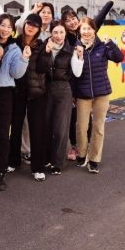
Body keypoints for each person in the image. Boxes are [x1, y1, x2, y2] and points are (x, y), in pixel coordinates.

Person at [62, 0, 117, 161]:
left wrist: (111, 1)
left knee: (93, 124)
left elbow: (99, 17)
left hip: (97, 85)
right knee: (78, 122)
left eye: (73, 18)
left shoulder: (88, 31)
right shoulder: (65, 39)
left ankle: (90, 155)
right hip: (77, 84)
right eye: (67, 20)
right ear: (64, 25)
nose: (72, 22)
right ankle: (78, 148)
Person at [0, 14, 29, 190]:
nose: (5, 29)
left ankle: (1, 173)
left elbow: (16, 74)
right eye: (3, 25)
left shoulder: (15, 49)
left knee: (2, 134)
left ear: (13, 30)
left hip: (5, 94)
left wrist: (24, 58)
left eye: (9, 27)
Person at [74, 17, 123, 174]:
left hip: (102, 92)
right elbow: (73, 73)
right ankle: (82, 154)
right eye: (84, 29)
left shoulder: (102, 46)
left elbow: (119, 58)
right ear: (79, 31)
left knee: (98, 127)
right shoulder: (75, 47)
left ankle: (94, 159)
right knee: (81, 127)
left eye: (89, 28)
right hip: (83, 93)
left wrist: (111, 44)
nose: (86, 32)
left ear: (94, 30)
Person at [9, 13, 49, 181]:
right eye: (29, 23)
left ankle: (37, 167)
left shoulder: (41, 45)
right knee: (16, 126)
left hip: (37, 92)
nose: (31, 27)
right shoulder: (14, 42)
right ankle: (13, 161)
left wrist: (47, 53)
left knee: (37, 129)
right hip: (17, 91)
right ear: (24, 25)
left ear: (39, 29)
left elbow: (43, 69)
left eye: (35, 25)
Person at [14, 2, 55, 164]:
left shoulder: (47, 38)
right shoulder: (17, 40)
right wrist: (33, 10)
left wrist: (47, 52)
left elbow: (43, 67)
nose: (45, 14)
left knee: (39, 122)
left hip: (40, 87)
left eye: (48, 12)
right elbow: (19, 24)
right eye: (43, 12)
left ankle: (39, 157)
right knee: (20, 123)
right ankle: (21, 154)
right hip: (20, 87)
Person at [42, 20, 83, 175]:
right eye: (55, 32)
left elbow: (77, 73)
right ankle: (46, 158)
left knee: (60, 129)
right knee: (46, 127)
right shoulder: (44, 46)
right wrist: (46, 52)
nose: (58, 36)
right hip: (46, 90)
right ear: (50, 33)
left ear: (65, 33)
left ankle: (57, 163)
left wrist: (79, 57)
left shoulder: (70, 49)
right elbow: (40, 67)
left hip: (64, 90)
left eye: (61, 32)